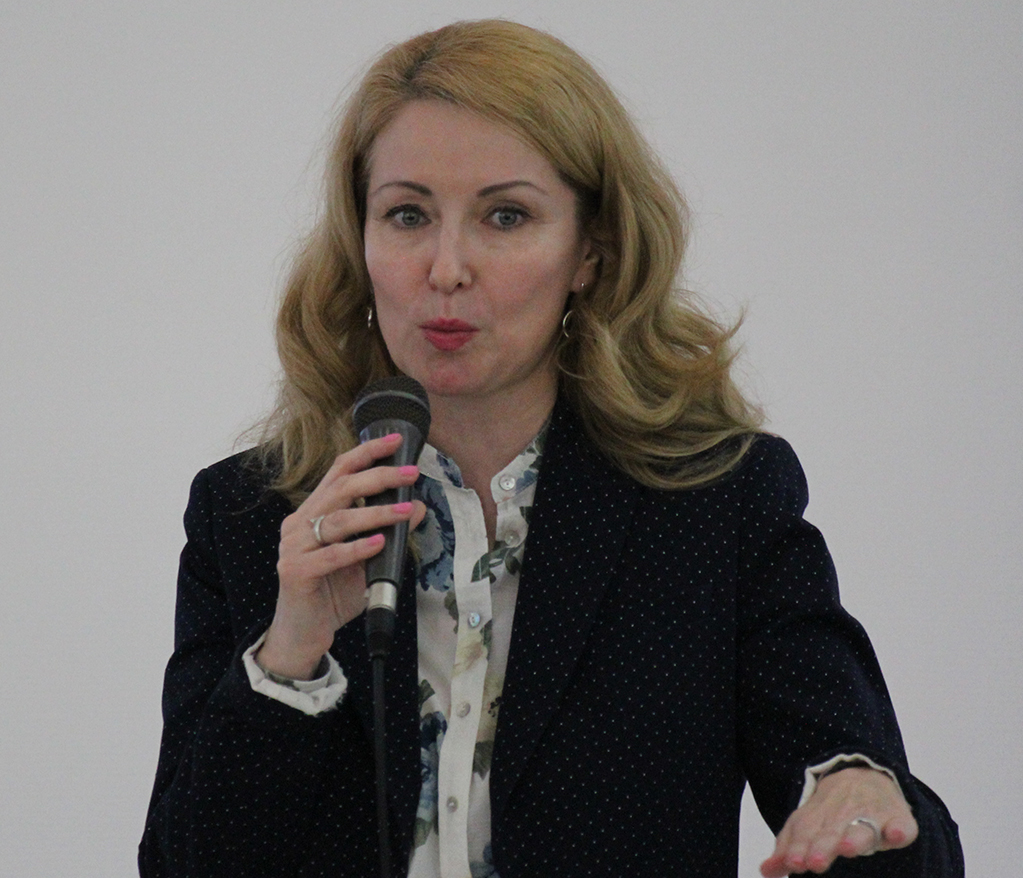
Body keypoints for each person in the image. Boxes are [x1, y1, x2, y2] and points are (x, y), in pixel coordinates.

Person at [139, 19, 963, 878]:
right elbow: (177, 864)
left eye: (506, 216)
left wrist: (862, 802)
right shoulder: (254, 518)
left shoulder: (716, 502)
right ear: (362, 240)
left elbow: (876, 812)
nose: (446, 268)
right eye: (408, 214)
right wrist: (289, 656)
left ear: (589, 253)